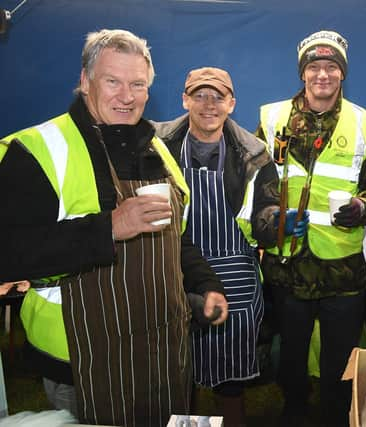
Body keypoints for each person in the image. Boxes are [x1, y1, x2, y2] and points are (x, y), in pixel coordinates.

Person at [0, 29, 228, 426]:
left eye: (138, 84)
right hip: (82, 359)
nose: (127, 96)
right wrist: (108, 228)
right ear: (86, 81)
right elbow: (9, 251)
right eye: (113, 82)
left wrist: (206, 284)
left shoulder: (155, 148)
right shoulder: (36, 150)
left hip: (161, 350)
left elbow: (176, 235)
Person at [153, 67, 307, 427]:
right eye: (200, 95)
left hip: (234, 271)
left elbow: (265, 210)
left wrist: (278, 224)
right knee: (178, 368)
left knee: (231, 380)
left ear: (231, 103)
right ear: (185, 100)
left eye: (217, 96)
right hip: (173, 264)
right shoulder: (158, 145)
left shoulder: (254, 154)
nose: (208, 104)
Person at [256, 30, 366, 426]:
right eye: (314, 66)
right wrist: (270, 220)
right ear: (302, 73)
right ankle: (294, 411)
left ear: (342, 73)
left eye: (331, 66)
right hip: (288, 266)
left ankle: (335, 416)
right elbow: (253, 183)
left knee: (339, 360)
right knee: (292, 356)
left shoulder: (363, 123)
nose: (322, 75)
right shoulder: (271, 118)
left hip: (342, 267)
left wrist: (362, 207)